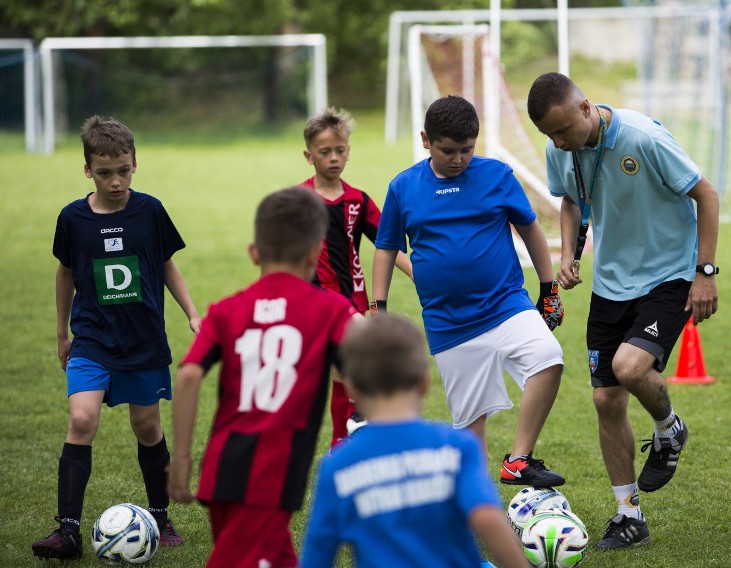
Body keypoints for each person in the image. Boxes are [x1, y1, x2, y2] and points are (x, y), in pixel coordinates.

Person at [526, 72, 720, 550]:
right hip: (612, 281)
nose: (559, 142)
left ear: (587, 107)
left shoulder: (642, 137)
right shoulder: (562, 148)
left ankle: (669, 429)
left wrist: (705, 272)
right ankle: (628, 515)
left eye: (564, 131)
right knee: (605, 400)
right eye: (550, 136)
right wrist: (569, 252)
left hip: (668, 275)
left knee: (629, 367)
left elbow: (706, 194)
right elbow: (570, 199)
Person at [372, 95, 566, 487]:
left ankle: (519, 459)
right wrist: (378, 306)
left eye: (467, 149)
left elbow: (530, 230)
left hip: (506, 304)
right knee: (470, 426)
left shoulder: (496, 175)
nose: (458, 158)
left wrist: (549, 288)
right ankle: (478, 512)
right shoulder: (404, 187)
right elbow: (386, 248)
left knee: (548, 357)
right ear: (426, 140)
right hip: (450, 324)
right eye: (448, 150)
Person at [32, 116, 200, 560]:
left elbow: (165, 265)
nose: (115, 181)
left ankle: (160, 516)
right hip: (91, 339)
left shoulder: (150, 211)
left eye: (123, 170)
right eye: (104, 172)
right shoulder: (73, 218)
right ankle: (67, 531)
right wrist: (62, 332)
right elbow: (65, 272)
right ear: (88, 169)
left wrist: (192, 313)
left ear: (134, 164)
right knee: (82, 420)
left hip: (143, 340)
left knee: (146, 426)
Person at [168, 187, 359, 568]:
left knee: (276, 556)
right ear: (313, 254)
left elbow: (188, 375)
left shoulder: (225, 310)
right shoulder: (330, 309)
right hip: (271, 471)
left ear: (255, 252)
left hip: (221, 467)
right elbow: (365, 358)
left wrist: (182, 457)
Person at [300, 313, 529, 568]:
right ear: (424, 382)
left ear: (351, 388)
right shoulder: (457, 447)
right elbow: (487, 518)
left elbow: (316, 557)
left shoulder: (337, 467)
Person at [301, 107, 413, 446]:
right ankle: (358, 423)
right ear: (309, 156)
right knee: (353, 360)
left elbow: (387, 242)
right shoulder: (300, 200)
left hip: (353, 298)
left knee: (343, 369)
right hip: (317, 300)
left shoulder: (358, 201)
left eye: (340, 150)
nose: (334, 158)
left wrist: (419, 275)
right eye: (325, 152)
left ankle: (343, 438)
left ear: (348, 150)